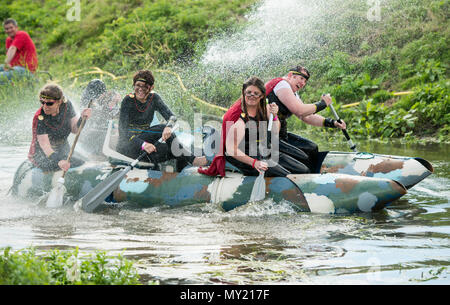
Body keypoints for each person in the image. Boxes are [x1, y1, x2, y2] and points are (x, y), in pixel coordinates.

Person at [199, 76, 309, 177]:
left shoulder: (265, 110)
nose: (252, 96)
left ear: (262, 96)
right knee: (285, 177)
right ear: (244, 93)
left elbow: (275, 132)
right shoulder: (239, 119)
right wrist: (254, 163)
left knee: (303, 170)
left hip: (264, 151)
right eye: (249, 93)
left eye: (256, 93)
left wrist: (274, 116)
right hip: (245, 156)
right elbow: (231, 149)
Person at [117, 70, 207, 171]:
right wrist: (143, 144)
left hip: (145, 142)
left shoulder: (154, 98)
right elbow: (123, 132)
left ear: (151, 87)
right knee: (160, 129)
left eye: (145, 86)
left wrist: (169, 127)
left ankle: (185, 173)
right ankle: (193, 160)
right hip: (128, 146)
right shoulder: (128, 101)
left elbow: (172, 117)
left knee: (173, 150)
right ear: (134, 85)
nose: (140, 89)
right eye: (138, 85)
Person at [265, 66, 347, 172]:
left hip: (280, 134)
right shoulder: (282, 85)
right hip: (267, 137)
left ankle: (314, 176)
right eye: (301, 78)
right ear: (290, 76)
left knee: (312, 148)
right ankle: (304, 176)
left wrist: (332, 123)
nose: (303, 83)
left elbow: (306, 116)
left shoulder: (293, 92)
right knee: (303, 156)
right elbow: (299, 110)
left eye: (305, 81)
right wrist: (322, 104)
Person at [28, 83, 92, 172]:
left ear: (59, 102)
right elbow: (46, 147)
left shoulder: (67, 105)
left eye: (49, 103)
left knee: (83, 161)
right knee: (74, 162)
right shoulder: (39, 117)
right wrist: (60, 161)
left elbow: (75, 130)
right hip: (43, 154)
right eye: (42, 102)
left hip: (63, 148)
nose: (45, 106)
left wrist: (83, 118)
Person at [79, 79, 122, 155]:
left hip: (100, 131)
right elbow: (100, 114)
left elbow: (116, 115)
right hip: (89, 135)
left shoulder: (105, 99)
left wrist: (115, 102)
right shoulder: (88, 102)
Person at [1, 18, 38, 83]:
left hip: (26, 69)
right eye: (7, 29)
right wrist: (7, 65)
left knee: (2, 76)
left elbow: (12, 48)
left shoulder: (22, 34)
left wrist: (6, 64)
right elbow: (9, 54)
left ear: (16, 27)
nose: (9, 30)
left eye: (11, 28)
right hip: (14, 68)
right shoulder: (8, 40)